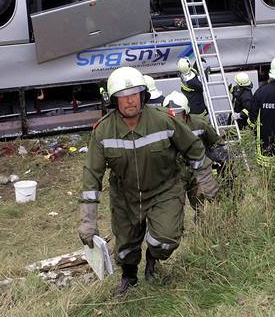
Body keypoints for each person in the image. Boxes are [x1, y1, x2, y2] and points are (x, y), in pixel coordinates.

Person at [78, 67, 219, 296]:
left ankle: (153, 259)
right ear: (114, 101)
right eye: (123, 96)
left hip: (164, 191)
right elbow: (91, 176)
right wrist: (87, 221)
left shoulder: (163, 121)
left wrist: (207, 182)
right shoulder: (103, 131)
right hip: (125, 197)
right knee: (125, 251)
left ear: (143, 95)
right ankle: (129, 278)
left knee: (163, 242)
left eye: (134, 94)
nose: (130, 101)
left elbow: (193, 148)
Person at [162, 91, 222, 216]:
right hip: (176, 175)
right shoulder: (162, 128)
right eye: (171, 116)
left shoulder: (199, 124)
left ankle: (204, 226)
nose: (176, 119)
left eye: (179, 115)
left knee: (200, 204)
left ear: (186, 113)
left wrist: (216, 163)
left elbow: (217, 143)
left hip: (197, 172)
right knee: (174, 208)